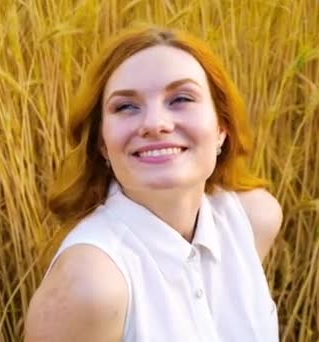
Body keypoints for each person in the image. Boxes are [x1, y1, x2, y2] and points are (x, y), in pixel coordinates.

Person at [24, 25, 282, 341]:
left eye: (181, 98)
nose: (155, 124)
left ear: (221, 128)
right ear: (103, 144)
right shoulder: (90, 285)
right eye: (126, 106)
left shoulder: (253, 219)